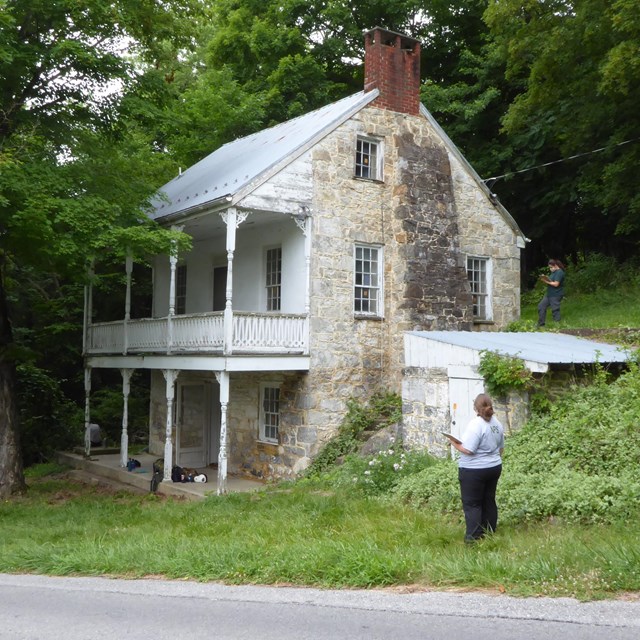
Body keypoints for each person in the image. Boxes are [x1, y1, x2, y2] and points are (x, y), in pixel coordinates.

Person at [445, 394, 504, 543]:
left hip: (474, 470)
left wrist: (453, 442)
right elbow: (501, 448)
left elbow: (469, 449)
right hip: (494, 466)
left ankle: (473, 537)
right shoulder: (497, 423)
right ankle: (489, 531)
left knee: (472, 504)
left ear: (476, 409)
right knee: (489, 500)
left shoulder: (476, 424)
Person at [537, 259, 566, 326]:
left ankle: (557, 325)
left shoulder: (560, 272)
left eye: (551, 267)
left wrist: (546, 281)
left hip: (556, 294)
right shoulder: (553, 272)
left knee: (555, 310)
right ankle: (541, 324)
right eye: (549, 267)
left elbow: (556, 284)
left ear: (555, 265)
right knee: (541, 306)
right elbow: (551, 281)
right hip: (549, 294)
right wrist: (545, 278)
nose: (550, 269)